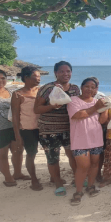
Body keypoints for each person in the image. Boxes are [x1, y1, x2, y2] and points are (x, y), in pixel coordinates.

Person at [34, 61, 80, 196]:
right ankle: (58, 182)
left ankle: (77, 178)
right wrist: (52, 106)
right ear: (55, 73)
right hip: (49, 129)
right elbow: (37, 109)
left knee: (73, 155)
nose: (65, 74)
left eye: (68, 71)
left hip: (70, 128)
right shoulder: (47, 88)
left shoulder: (75, 89)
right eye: (62, 71)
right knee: (53, 158)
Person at [67, 78, 109, 205]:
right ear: (81, 87)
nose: (89, 89)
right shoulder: (73, 100)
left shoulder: (97, 101)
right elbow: (78, 115)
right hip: (80, 140)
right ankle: (78, 191)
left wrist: (106, 108)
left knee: (95, 164)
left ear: (96, 90)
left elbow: (102, 121)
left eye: (93, 87)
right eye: (87, 86)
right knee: (82, 167)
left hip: (96, 138)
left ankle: (90, 186)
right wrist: (96, 107)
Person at [10, 66, 42, 191]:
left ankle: (53, 177)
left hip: (43, 128)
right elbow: (15, 117)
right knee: (31, 154)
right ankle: (34, 179)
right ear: (26, 78)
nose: (38, 79)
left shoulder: (41, 91)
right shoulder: (18, 94)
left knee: (49, 152)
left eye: (39, 77)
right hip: (27, 130)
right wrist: (18, 136)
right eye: (35, 76)